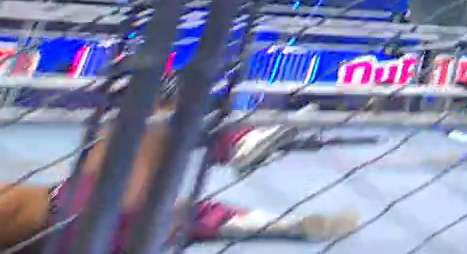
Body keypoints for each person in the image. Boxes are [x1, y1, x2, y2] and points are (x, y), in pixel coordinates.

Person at [0, 108, 358, 252]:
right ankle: (236, 141)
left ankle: (266, 218)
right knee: (148, 106)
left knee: (179, 215)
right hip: (78, 215)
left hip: (82, 230)